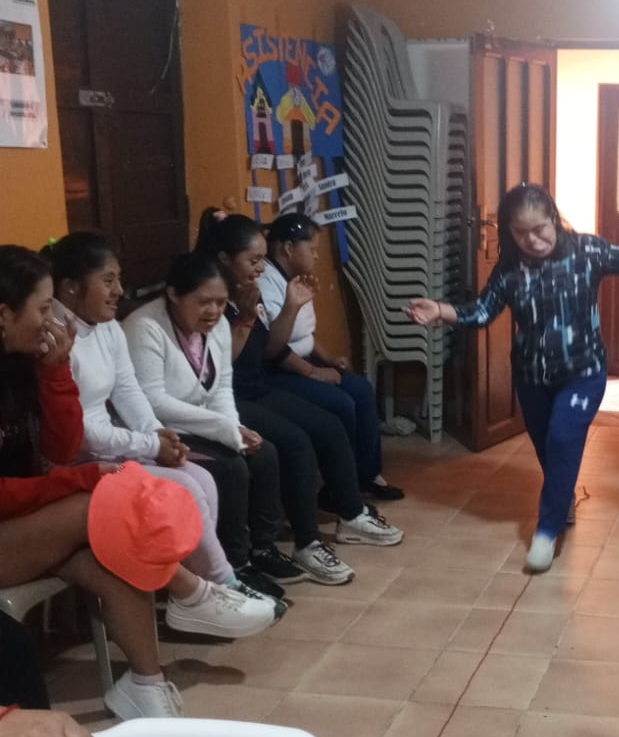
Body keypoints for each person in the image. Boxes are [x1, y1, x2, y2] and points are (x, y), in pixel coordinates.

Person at [407, 183, 619, 570]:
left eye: (539, 228)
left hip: (583, 372)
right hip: (531, 376)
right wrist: (441, 311)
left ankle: (546, 530)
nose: (532, 239)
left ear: (554, 220)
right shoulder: (510, 268)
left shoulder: (586, 251)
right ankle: (563, 498)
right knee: (548, 448)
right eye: (521, 232)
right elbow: (483, 311)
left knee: (562, 437)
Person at [0, 245, 203, 719]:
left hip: (23, 525)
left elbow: (61, 448)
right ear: (4, 315)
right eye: (44, 309)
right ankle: (189, 589)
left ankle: (146, 687)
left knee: (114, 553)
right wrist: (76, 481)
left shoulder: (26, 362)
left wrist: (56, 374)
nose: (52, 321)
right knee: (96, 501)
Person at [48, 231, 279, 634]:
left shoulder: (106, 327)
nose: (119, 291)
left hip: (112, 444)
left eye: (119, 279)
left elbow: (128, 391)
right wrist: (150, 443)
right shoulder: (56, 339)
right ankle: (221, 585)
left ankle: (200, 596)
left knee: (201, 478)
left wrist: (161, 439)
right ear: (70, 287)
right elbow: (80, 432)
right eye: (108, 280)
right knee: (185, 487)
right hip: (78, 457)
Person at [196, 209, 399, 571]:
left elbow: (270, 347)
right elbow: (219, 366)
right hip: (230, 397)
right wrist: (245, 318)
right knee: (297, 442)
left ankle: (351, 514)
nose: (261, 268)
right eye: (253, 260)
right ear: (225, 259)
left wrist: (287, 306)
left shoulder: (249, 291)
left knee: (329, 425)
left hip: (257, 386)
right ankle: (308, 543)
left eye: (262, 259)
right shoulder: (212, 300)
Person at [123, 252, 304, 599]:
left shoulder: (218, 326)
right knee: (231, 468)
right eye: (203, 302)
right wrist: (225, 431)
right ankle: (235, 565)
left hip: (201, 422)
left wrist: (235, 430)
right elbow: (154, 401)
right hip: (161, 430)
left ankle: (262, 550)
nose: (213, 311)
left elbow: (221, 387)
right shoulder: (145, 327)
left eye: (221, 302)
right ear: (173, 294)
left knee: (264, 454)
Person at [258, 213, 404, 506]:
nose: (315, 255)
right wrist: (314, 372)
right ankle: (338, 488)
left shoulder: (296, 279)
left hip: (304, 359)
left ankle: (367, 475)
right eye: (311, 249)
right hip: (278, 370)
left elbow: (305, 334)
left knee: (361, 390)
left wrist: (329, 359)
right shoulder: (265, 283)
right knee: (340, 403)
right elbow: (272, 347)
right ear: (288, 248)